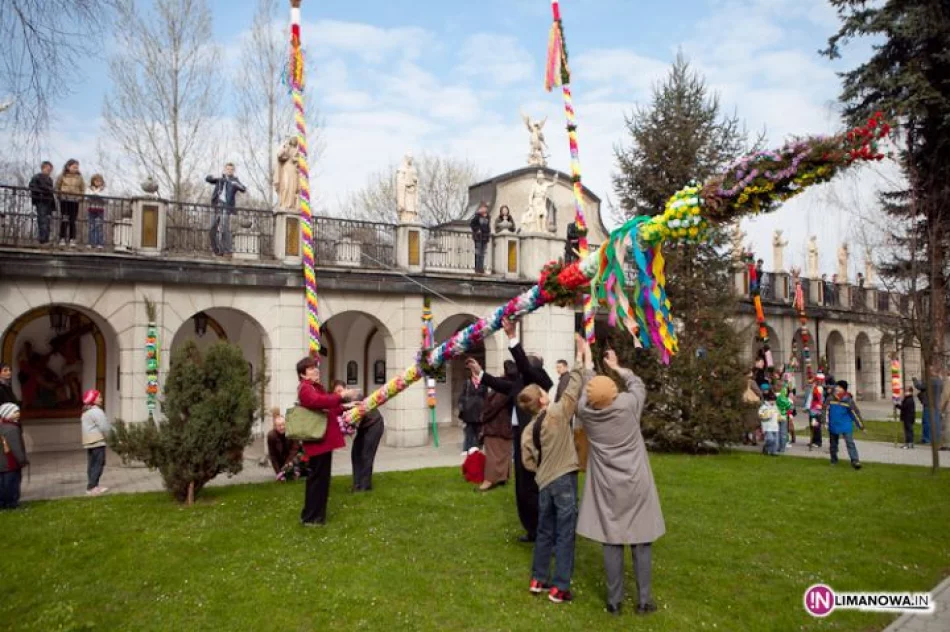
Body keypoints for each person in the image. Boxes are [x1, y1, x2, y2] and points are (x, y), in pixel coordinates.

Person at [576, 348, 664, 616]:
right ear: (614, 393)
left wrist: (588, 364)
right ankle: (644, 601)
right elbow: (637, 384)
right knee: (642, 539)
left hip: (607, 488)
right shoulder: (628, 405)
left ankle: (614, 603)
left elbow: (583, 396)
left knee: (612, 540)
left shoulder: (586, 413)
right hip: (636, 483)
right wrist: (616, 367)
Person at [519, 333, 585, 604]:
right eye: (544, 392)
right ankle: (560, 587)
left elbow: (527, 462)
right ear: (543, 400)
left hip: (544, 482)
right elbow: (574, 388)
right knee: (565, 533)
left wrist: (541, 468)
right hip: (564, 479)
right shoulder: (557, 414)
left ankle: (538, 579)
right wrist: (580, 357)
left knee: (545, 530)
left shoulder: (527, 430)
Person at [296, 357, 357, 525]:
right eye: (310, 369)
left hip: (323, 441)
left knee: (321, 479)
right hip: (318, 441)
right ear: (302, 374)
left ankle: (316, 515)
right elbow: (317, 402)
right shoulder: (305, 388)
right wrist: (341, 395)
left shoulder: (315, 387)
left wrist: (348, 406)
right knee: (317, 479)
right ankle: (311, 517)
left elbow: (328, 407)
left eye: (315, 367)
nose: (316, 370)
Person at [468, 359, 517, 492]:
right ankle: (502, 478)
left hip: (497, 426)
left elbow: (493, 406)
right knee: (503, 453)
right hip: (505, 425)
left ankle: (489, 480)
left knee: (494, 454)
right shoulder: (513, 384)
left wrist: (484, 416)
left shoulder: (505, 387)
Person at [336, 382, 385, 492]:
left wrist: (347, 426)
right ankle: (357, 483)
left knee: (366, 454)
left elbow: (357, 418)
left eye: (340, 390)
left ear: (346, 389)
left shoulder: (354, 397)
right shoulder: (341, 401)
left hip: (374, 425)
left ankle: (365, 486)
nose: (339, 393)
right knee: (356, 453)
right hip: (364, 428)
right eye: (337, 392)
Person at [205, 163, 247, 257]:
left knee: (224, 228)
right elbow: (208, 179)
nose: (229, 171)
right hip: (216, 205)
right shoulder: (220, 178)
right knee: (212, 227)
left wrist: (235, 184)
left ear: (233, 171)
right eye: (228, 169)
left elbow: (243, 189)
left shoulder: (235, 180)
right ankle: (216, 250)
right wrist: (213, 176)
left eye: (231, 169)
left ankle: (227, 250)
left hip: (227, 207)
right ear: (225, 169)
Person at [823, 380, 865, 470]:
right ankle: (834, 460)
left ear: (843, 389)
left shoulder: (848, 400)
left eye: (839, 387)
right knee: (833, 444)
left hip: (845, 425)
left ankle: (855, 460)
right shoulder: (830, 398)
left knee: (850, 443)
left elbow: (855, 413)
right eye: (836, 386)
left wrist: (861, 426)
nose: (836, 388)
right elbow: (825, 410)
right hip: (833, 424)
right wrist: (825, 422)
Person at [80, 389, 112, 495]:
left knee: (92, 464)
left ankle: (93, 485)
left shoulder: (85, 412)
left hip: (89, 442)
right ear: (93, 399)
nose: (101, 399)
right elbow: (104, 427)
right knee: (99, 464)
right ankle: (92, 487)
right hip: (97, 441)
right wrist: (111, 436)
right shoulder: (97, 411)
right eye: (99, 397)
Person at [0, 403, 27, 509]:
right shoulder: (12, 428)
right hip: (11, 462)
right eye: (15, 412)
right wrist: (22, 460)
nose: (18, 414)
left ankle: (2, 503)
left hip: (2, 462)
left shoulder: (3, 426)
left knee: (2, 483)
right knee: (12, 483)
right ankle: (12, 503)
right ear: (7, 413)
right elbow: (16, 447)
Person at [55, 159, 85, 247]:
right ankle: (62, 238)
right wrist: (59, 195)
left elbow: (82, 188)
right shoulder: (62, 176)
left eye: (77, 167)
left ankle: (72, 239)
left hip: (75, 200)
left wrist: (80, 197)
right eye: (74, 167)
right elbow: (57, 186)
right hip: (64, 199)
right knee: (64, 218)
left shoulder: (79, 177)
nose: (75, 169)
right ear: (68, 167)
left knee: (73, 220)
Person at [267, 412, 304, 480]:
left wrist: (286, 466)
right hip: (282, 461)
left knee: (300, 454)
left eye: (283, 424)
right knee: (284, 475)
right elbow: (273, 456)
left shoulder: (293, 431)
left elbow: (294, 450)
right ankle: (287, 472)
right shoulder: (271, 436)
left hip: (293, 458)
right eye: (279, 425)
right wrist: (278, 473)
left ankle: (297, 471)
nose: (282, 427)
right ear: (275, 426)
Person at [29, 161, 56, 245]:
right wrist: (43, 191)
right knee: (42, 220)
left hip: (49, 202)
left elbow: (51, 191)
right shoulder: (37, 177)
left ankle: (46, 239)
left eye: (50, 170)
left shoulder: (50, 179)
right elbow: (32, 187)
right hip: (41, 201)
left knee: (48, 220)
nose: (49, 171)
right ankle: (42, 239)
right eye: (48, 169)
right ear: (43, 168)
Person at [86, 174, 107, 249]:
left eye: (99, 181)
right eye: (96, 181)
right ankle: (91, 243)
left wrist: (99, 195)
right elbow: (86, 197)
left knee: (99, 227)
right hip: (91, 209)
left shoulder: (104, 189)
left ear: (102, 182)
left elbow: (106, 199)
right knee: (91, 226)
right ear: (93, 181)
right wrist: (93, 194)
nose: (98, 182)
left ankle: (99, 243)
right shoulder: (89, 188)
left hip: (100, 209)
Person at [470, 202, 491, 273]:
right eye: (483, 208)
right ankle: (477, 268)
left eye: (485, 208)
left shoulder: (487, 217)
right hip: (478, 237)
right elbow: (472, 224)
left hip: (485, 237)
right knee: (478, 253)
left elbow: (488, 227)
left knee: (483, 253)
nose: (485, 209)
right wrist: (477, 229)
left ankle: (481, 268)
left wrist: (488, 235)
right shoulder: (477, 216)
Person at [758, 387, 780, 456]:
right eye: (772, 400)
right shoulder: (764, 407)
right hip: (767, 427)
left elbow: (778, 414)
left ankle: (773, 452)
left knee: (776, 441)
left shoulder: (776, 407)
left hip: (775, 426)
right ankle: (766, 447)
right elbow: (760, 414)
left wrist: (780, 417)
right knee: (770, 439)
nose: (773, 402)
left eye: (774, 400)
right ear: (768, 400)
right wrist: (765, 416)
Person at [806, 374, 825, 449]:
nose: (818, 381)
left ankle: (818, 442)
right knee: (812, 425)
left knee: (816, 425)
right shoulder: (815, 387)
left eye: (820, 380)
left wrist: (813, 387)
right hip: (812, 409)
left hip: (817, 410)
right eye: (817, 380)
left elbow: (818, 398)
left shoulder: (819, 388)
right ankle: (813, 440)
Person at [913, 376, 932, 445]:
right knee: (927, 422)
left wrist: (914, 379)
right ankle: (927, 438)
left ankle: (926, 439)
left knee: (926, 422)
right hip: (930, 405)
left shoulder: (930, 381)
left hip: (928, 405)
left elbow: (919, 386)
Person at [776, 385, 793, 453]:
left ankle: (777, 446)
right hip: (783, 416)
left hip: (777, 416)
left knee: (777, 432)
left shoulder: (777, 397)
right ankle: (782, 448)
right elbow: (790, 407)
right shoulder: (786, 399)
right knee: (783, 432)